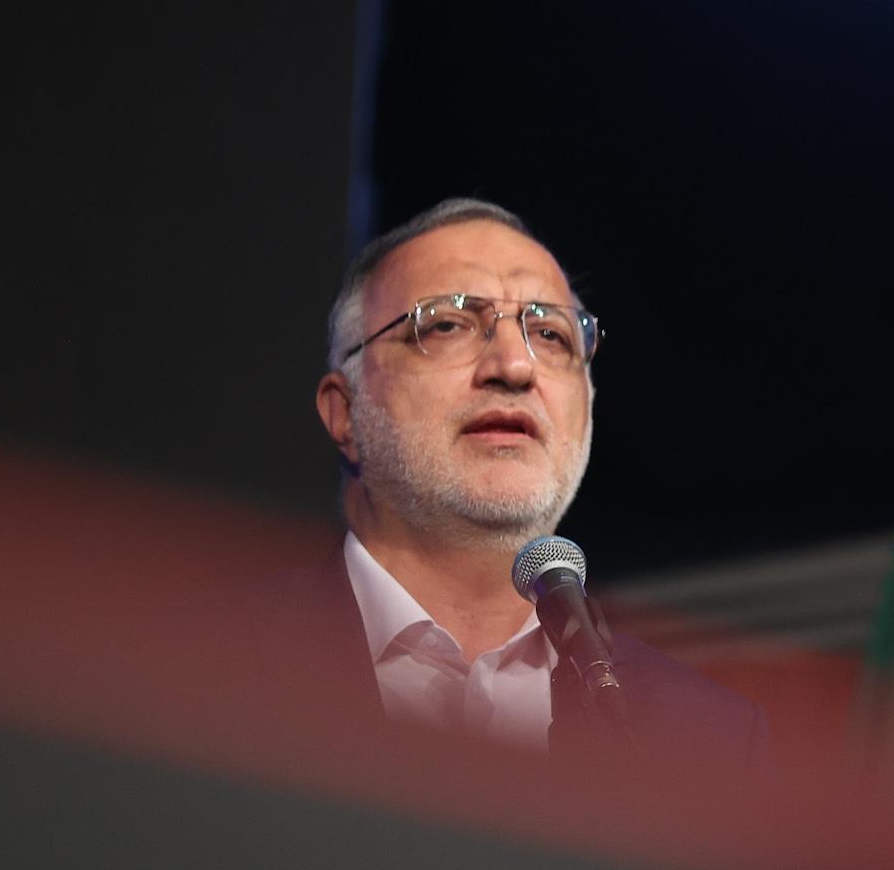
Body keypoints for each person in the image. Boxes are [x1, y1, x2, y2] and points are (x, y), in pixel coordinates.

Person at [230, 197, 765, 754]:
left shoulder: (714, 742)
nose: (514, 366)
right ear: (344, 412)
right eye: (447, 324)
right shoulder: (201, 666)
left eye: (551, 335)